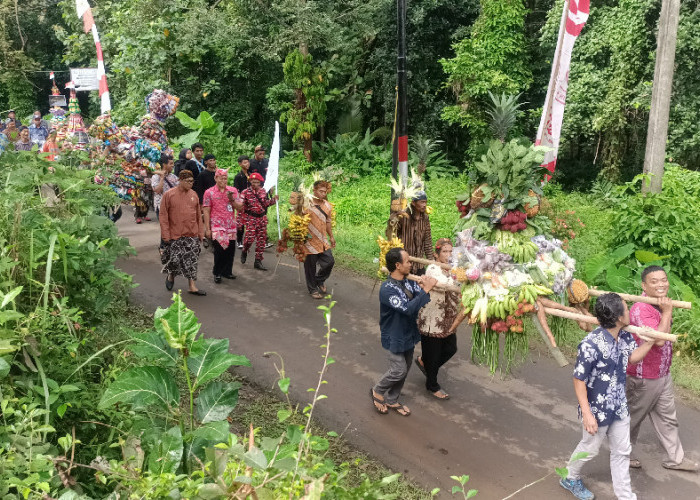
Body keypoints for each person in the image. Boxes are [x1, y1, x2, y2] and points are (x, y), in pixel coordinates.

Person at [560, 293, 661, 500]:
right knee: (589, 448)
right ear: (618, 318)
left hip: (619, 406)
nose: (629, 311)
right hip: (596, 409)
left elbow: (631, 358)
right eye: (626, 308)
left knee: (622, 451)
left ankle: (625, 496)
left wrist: (649, 343)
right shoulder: (590, 344)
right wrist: (587, 414)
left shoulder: (624, 336)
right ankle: (570, 477)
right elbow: (579, 379)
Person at [626, 266, 699, 472]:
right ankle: (623, 453)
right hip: (643, 377)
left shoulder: (659, 305)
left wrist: (665, 311)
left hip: (662, 373)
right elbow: (658, 341)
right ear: (644, 285)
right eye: (654, 281)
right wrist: (668, 312)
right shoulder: (640, 308)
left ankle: (675, 459)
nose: (661, 284)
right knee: (633, 418)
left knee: (668, 417)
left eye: (663, 280)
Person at [371, 248, 436, 416]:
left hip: (408, 332)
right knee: (398, 370)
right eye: (407, 261)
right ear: (398, 265)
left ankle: (392, 399)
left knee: (405, 369)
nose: (410, 264)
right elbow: (407, 308)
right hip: (394, 335)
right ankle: (378, 390)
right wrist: (426, 290)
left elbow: (420, 299)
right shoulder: (387, 289)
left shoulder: (409, 282)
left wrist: (422, 287)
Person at [415, 238, 466, 400]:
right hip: (432, 319)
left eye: (451, 251)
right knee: (434, 353)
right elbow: (445, 284)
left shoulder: (451, 269)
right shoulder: (432, 268)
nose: (448, 254)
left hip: (448, 318)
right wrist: (460, 277)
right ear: (437, 254)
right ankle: (432, 385)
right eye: (445, 251)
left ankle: (425, 363)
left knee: (451, 348)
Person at [159, 170, 206, 296]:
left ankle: (192, 286)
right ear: (180, 180)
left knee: (192, 260)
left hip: (191, 234)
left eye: (192, 181)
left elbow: (198, 216)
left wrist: (201, 233)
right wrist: (166, 235)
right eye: (188, 181)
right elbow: (163, 216)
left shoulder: (194, 195)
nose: (191, 183)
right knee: (175, 260)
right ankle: (171, 276)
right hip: (175, 234)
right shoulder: (169, 195)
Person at [203, 169, 243, 283]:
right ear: (216, 178)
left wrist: (232, 199)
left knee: (230, 250)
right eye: (221, 178)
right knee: (220, 249)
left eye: (225, 178)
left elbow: (239, 207)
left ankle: (227, 271)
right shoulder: (209, 192)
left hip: (230, 225)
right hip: (217, 225)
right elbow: (206, 210)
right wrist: (207, 229)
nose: (224, 180)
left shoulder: (233, 190)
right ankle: (217, 272)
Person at [386, 191, 433, 275]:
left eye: (425, 202)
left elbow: (427, 240)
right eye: (422, 202)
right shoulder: (403, 215)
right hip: (403, 262)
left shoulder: (425, 218)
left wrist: (431, 261)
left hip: (419, 263)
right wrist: (395, 216)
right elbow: (392, 230)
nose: (424, 205)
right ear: (414, 203)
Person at [304, 181, 336, 299]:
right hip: (309, 240)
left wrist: (331, 237)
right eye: (320, 191)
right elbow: (298, 219)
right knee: (310, 266)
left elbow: (328, 223)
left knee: (329, 261)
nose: (323, 194)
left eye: (325, 192)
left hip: (322, 240)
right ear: (314, 191)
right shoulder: (306, 204)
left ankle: (319, 280)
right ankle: (312, 289)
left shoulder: (327, 206)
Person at [240, 172, 278, 270]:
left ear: (260, 182)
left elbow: (265, 203)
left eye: (257, 182)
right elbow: (241, 207)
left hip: (261, 218)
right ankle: (245, 250)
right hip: (251, 218)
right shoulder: (245, 192)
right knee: (249, 239)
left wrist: (274, 200)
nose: (255, 184)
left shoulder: (263, 191)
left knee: (261, 240)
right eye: (253, 182)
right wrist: (241, 220)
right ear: (250, 181)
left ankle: (258, 260)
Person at [151, 155, 178, 220]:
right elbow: (157, 191)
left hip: (173, 206)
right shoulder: (155, 177)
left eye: (173, 163)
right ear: (164, 165)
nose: (173, 165)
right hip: (161, 206)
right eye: (171, 163)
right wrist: (162, 178)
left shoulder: (174, 177)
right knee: (165, 228)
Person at [233, 155, 251, 248]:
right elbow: (236, 191)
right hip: (242, 201)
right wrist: (239, 202)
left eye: (248, 162)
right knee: (240, 221)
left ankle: (248, 239)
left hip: (251, 201)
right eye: (244, 162)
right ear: (240, 164)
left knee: (250, 220)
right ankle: (239, 240)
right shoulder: (238, 177)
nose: (247, 164)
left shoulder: (251, 174)